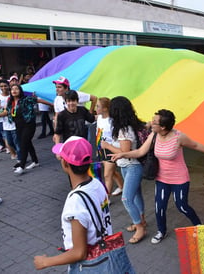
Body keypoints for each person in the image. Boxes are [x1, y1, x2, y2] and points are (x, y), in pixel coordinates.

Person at [110, 109, 204, 244]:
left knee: (182, 206)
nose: (151, 123)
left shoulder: (178, 137)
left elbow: (196, 145)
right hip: (162, 178)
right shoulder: (154, 135)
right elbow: (140, 151)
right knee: (159, 207)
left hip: (179, 178)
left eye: (154, 122)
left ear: (163, 127)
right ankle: (161, 231)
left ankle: (199, 226)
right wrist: (123, 154)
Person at [34, 136, 113, 271]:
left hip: (91, 266)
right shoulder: (97, 184)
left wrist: (45, 262)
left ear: (65, 164)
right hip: (106, 257)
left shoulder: (75, 202)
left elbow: (79, 252)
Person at [100, 96, 147, 244]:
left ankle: (140, 227)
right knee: (136, 196)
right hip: (127, 166)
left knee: (126, 199)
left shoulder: (124, 129)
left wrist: (107, 146)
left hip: (131, 165)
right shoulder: (127, 125)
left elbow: (124, 151)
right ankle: (141, 221)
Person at [4, 85, 52, 175]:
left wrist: (52, 104)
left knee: (23, 144)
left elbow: (39, 100)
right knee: (28, 143)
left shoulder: (26, 99)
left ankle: (21, 166)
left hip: (29, 124)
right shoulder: (10, 102)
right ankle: (35, 161)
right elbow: (8, 112)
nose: (14, 91)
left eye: (16, 89)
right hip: (18, 125)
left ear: (20, 90)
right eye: (12, 89)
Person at [95, 97, 123, 196]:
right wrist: (98, 148)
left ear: (105, 109)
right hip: (101, 148)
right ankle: (122, 187)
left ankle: (106, 199)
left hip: (111, 148)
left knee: (107, 175)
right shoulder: (99, 118)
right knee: (112, 172)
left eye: (98, 106)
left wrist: (113, 148)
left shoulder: (112, 121)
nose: (96, 108)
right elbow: (98, 133)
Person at [0, 79, 18, 162]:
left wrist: (1, 108)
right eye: (1, 86)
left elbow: (11, 109)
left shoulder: (12, 95)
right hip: (2, 122)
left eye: (5, 86)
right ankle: (14, 154)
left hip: (12, 121)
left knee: (14, 141)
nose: (3, 88)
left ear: (9, 86)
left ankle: (17, 155)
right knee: (8, 140)